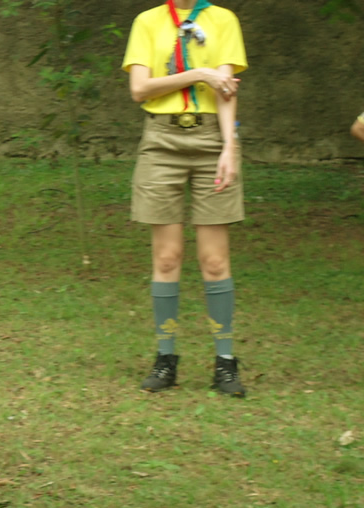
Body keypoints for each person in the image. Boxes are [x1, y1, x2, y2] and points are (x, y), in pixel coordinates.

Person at [123, 0, 248, 396]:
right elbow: (139, 88)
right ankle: (166, 359)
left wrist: (229, 147)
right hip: (161, 140)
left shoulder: (223, 20)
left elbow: (225, 90)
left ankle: (225, 362)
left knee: (214, 261)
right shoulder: (147, 22)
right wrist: (199, 74)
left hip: (212, 139)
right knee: (166, 257)